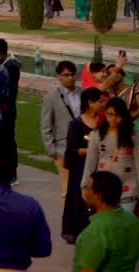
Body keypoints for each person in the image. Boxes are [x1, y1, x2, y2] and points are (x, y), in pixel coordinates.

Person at [74, 170, 139, 272]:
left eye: (87, 188)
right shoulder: (133, 220)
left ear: (98, 195)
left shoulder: (96, 231)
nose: (85, 192)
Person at [65, 87, 107, 242]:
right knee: (80, 200)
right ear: (90, 103)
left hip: (100, 168)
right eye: (100, 102)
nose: (103, 105)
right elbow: (71, 150)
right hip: (80, 168)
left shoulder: (102, 123)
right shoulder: (76, 124)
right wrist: (91, 149)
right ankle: (80, 234)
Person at [83, 97, 139, 213]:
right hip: (104, 193)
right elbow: (90, 163)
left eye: (117, 115)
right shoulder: (96, 135)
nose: (113, 119)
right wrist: (84, 187)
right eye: (110, 115)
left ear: (123, 116)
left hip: (127, 192)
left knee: (123, 228)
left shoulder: (133, 136)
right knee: (105, 226)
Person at [42, 60, 82, 200]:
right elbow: (46, 126)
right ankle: (68, 221)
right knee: (68, 192)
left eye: (72, 74)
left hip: (84, 148)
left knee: (84, 189)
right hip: (63, 150)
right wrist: (52, 151)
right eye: (66, 75)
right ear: (59, 76)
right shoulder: (50, 98)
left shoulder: (83, 94)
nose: (70, 78)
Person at [0, 37, 22, 180]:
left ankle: (12, 173)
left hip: (6, 111)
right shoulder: (3, 65)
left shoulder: (10, 67)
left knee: (8, 141)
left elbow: (7, 92)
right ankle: (0, 171)